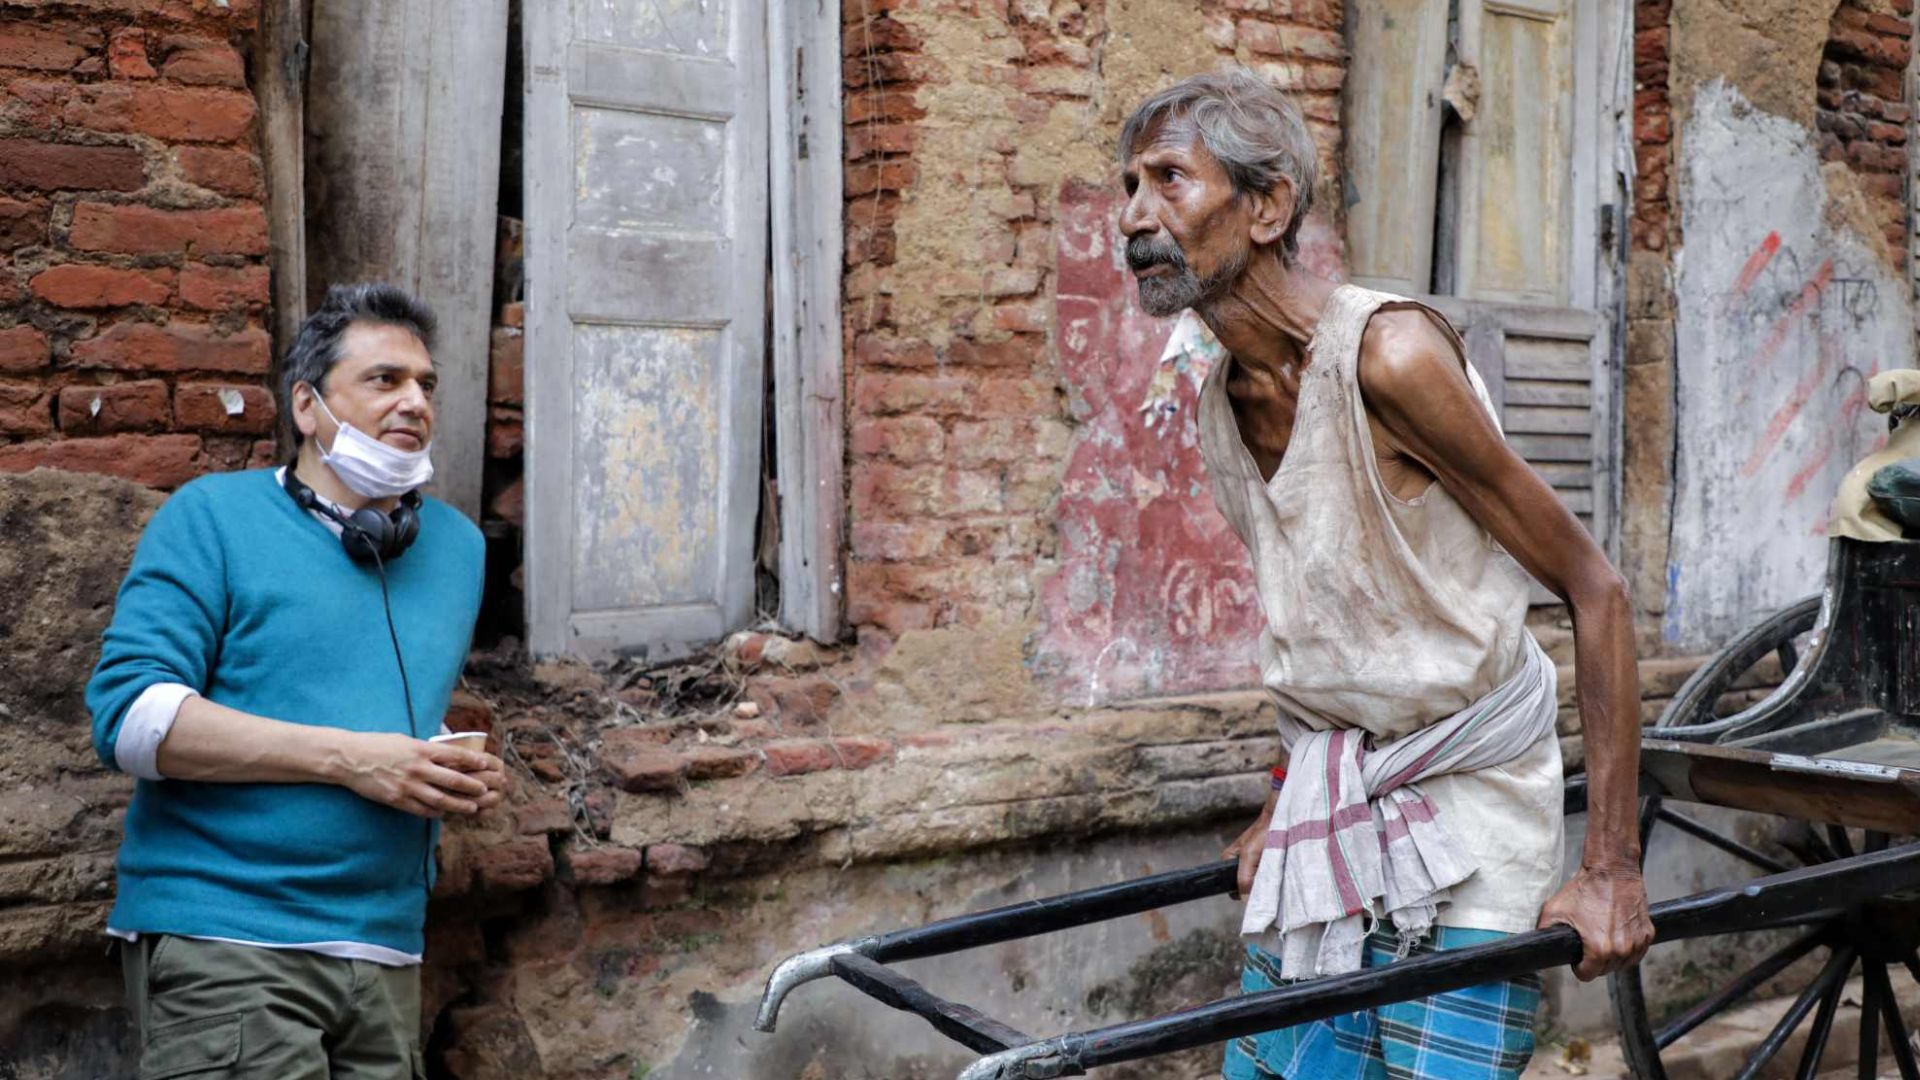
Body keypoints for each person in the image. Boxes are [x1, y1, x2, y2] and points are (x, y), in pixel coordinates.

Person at [1113, 71, 1653, 1080]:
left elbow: (1595, 589)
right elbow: (1331, 636)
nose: (1136, 218)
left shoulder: (1388, 358)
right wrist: (1287, 804)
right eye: (1130, 187)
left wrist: (1611, 869)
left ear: (1267, 206)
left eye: (1169, 182)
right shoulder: (1218, 406)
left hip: (1473, 811)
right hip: (1334, 814)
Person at [86, 282, 507, 1079]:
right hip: (229, 943)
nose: (415, 400)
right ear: (307, 406)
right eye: (384, 379)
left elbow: (381, 708)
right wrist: (352, 759)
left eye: (427, 384)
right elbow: (131, 721)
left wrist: (443, 766)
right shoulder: (210, 516)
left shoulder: (457, 549)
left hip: (388, 950)